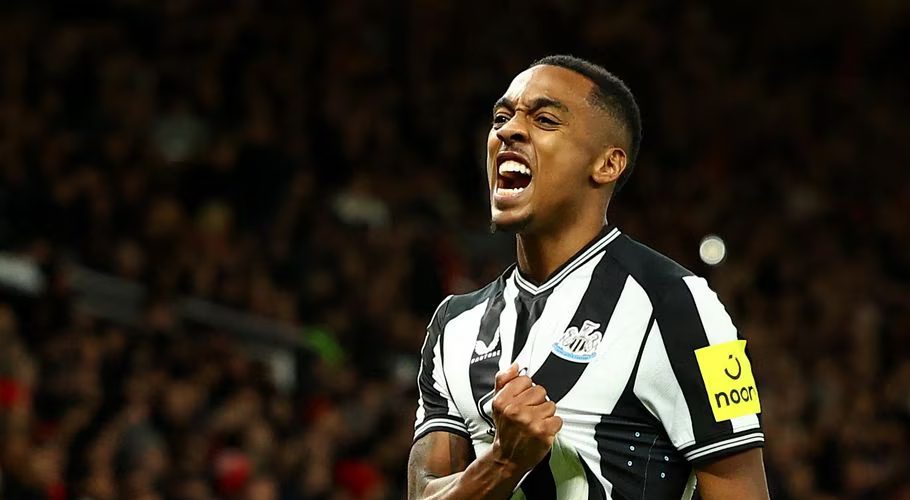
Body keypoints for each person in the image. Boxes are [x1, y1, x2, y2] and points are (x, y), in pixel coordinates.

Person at [406, 55, 769, 499]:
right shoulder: (454, 326)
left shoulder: (678, 305)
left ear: (607, 165)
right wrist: (503, 462)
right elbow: (422, 493)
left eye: (544, 119)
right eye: (501, 117)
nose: (508, 130)